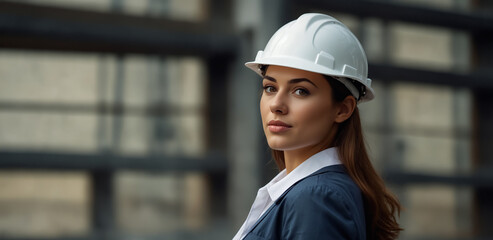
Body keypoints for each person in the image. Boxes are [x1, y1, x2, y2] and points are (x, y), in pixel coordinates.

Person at [232, 13, 402, 240]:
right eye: (270, 88)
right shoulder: (313, 191)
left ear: (343, 109)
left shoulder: (316, 198)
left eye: (300, 91)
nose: (277, 105)